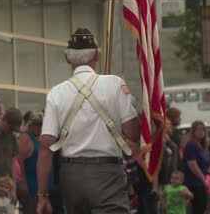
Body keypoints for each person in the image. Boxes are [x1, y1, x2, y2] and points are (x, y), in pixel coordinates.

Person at [36, 28, 141, 214]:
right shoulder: (115, 84)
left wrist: (42, 195)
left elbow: (46, 147)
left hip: (71, 175)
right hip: (107, 172)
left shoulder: (56, 93)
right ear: (97, 55)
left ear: (68, 58)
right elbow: (133, 132)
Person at [17, 111, 53, 214]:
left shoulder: (40, 137)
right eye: (37, 125)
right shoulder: (25, 138)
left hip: (43, 187)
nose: (40, 128)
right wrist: (23, 183)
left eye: (42, 125)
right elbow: (19, 162)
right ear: (31, 124)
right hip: (32, 186)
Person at [182, 121, 210, 214]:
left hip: (201, 183)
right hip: (194, 183)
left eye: (203, 129)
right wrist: (204, 179)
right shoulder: (191, 145)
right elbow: (192, 165)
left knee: (203, 207)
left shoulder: (202, 146)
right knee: (197, 208)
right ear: (193, 131)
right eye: (198, 129)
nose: (201, 131)